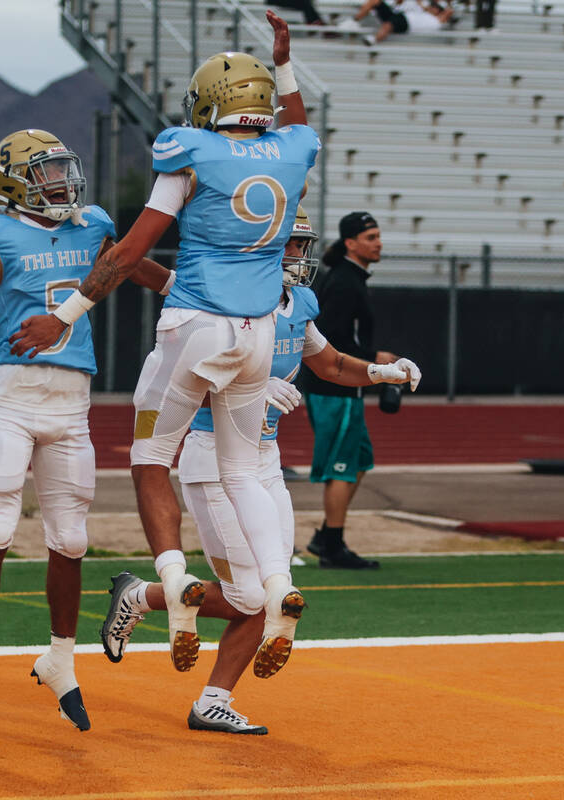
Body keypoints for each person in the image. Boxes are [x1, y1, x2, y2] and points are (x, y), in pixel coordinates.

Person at [10, 10, 317, 677]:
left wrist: (66, 312)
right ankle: (274, 585)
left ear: (210, 104)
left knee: (151, 454)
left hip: (196, 323)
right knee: (243, 470)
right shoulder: (295, 147)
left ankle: (173, 579)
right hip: (260, 332)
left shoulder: (191, 149)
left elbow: (130, 251)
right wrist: (283, 62)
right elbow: (295, 119)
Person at [100, 212, 420, 733]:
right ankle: (140, 596)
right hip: (214, 455)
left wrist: (382, 370)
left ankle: (211, 698)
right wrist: (245, 388)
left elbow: (332, 364)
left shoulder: (302, 303)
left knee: (276, 591)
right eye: (290, 243)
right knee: (251, 596)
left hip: (264, 458)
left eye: (301, 244)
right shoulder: (225, 300)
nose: (298, 254)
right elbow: (185, 378)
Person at [0, 129, 173, 731]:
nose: (60, 182)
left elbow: (133, 265)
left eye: (60, 170)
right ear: (14, 184)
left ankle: (60, 660)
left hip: (72, 402)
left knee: (71, 540)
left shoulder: (92, 222)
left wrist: (188, 294)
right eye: (45, 173)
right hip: (15, 396)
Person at [299, 211, 400, 569]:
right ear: (351, 242)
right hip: (335, 389)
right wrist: (376, 359)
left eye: (378, 236)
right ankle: (333, 546)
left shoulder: (351, 278)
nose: (378, 242)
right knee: (342, 466)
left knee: (359, 460)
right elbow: (330, 339)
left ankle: (328, 535)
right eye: (371, 237)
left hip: (346, 388)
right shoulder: (344, 282)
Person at [337, 0, 456, 46]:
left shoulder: (437, 21)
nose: (432, 7)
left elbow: (450, 11)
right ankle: (353, 21)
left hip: (407, 23)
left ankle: (373, 39)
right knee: (375, 2)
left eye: (435, 7)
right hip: (401, 16)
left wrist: (446, 6)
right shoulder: (424, 12)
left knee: (389, 25)